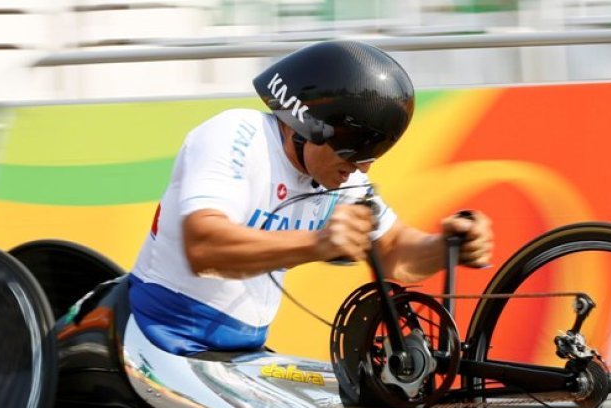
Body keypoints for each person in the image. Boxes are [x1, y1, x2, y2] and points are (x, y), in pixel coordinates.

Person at [129, 40, 493, 356]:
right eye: (352, 152)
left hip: (239, 350)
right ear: (308, 124)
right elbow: (205, 249)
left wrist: (447, 247)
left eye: (370, 157)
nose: (360, 169)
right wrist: (317, 243)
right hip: (162, 334)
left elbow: (394, 253)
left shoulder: (341, 180)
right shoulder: (238, 134)